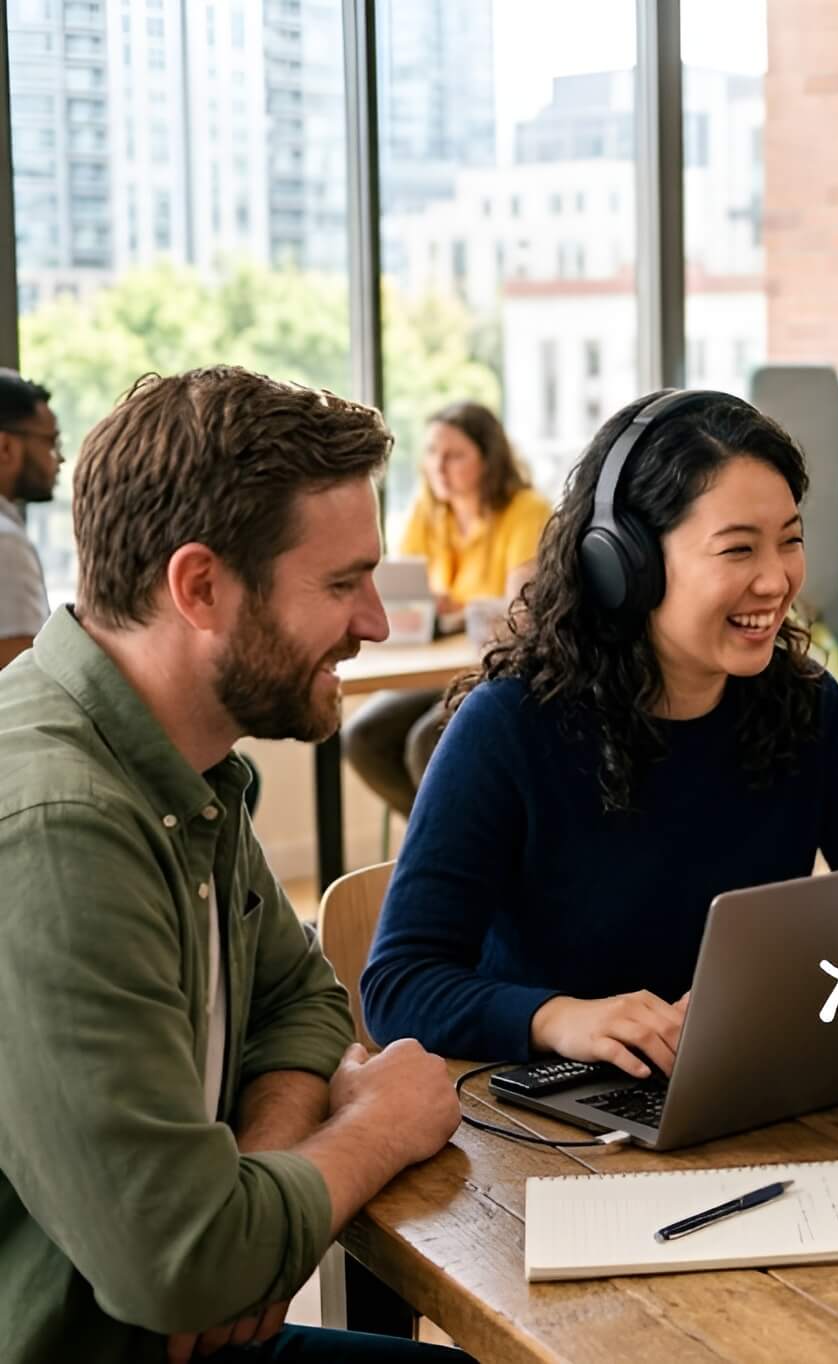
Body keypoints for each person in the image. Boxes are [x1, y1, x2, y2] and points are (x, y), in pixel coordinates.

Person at [0, 367, 466, 1361]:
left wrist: (255, 1184)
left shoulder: (178, 759)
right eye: (342, 582)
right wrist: (378, 1121)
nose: (375, 621)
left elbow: (299, 999)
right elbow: (181, 1262)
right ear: (200, 586)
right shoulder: (59, 824)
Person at [359, 390, 838, 1074]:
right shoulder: (507, 727)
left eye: (791, 540)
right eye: (738, 549)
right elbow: (399, 986)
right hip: (556, 1125)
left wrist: (810, 994)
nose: (777, 580)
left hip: (747, 1085)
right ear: (624, 561)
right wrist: (557, 1018)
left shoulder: (806, 706)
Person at [342, 402, 550, 816]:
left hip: (498, 666)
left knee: (427, 742)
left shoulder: (526, 512)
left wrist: (452, 609)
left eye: (454, 455)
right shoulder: (428, 510)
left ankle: (458, 851)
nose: (439, 465)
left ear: (489, 459)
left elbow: (520, 612)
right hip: (442, 665)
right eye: (432, 452)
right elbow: (408, 594)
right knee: (362, 736)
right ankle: (429, 840)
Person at [0, 369, 59, 669]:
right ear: (5, 447)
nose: (58, 458)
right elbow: (16, 675)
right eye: (49, 441)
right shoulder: (4, 542)